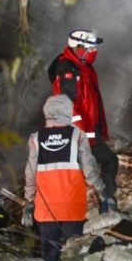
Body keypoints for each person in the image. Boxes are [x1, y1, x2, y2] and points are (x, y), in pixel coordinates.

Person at [23, 95, 113, 261]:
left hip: (46, 209)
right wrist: (102, 191)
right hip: (72, 206)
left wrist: (29, 201)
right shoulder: (77, 135)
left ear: (47, 113)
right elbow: (89, 168)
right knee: (73, 255)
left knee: (51, 258)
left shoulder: (35, 139)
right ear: (67, 111)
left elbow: (30, 174)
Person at [48, 30, 117, 211]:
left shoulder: (83, 67)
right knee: (105, 162)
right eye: (91, 47)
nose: (94, 51)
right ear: (79, 48)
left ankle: (103, 203)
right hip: (79, 134)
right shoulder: (68, 70)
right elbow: (69, 107)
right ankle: (101, 204)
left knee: (101, 163)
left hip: (88, 131)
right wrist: (82, 136)